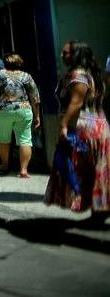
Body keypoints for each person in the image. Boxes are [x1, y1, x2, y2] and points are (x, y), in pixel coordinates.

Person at [45, 42, 109, 218]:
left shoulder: (78, 75)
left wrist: (64, 124)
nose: (63, 56)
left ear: (77, 54)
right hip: (98, 125)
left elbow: (76, 102)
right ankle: (99, 210)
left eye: (66, 53)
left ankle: (98, 211)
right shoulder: (91, 74)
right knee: (96, 170)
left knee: (80, 169)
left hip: (83, 128)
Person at [0, 54, 40, 178]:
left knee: (3, 139)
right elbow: (35, 97)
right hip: (23, 109)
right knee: (25, 140)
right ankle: (23, 170)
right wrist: (37, 115)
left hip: (3, 110)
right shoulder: (26, 76)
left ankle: (4, 165)